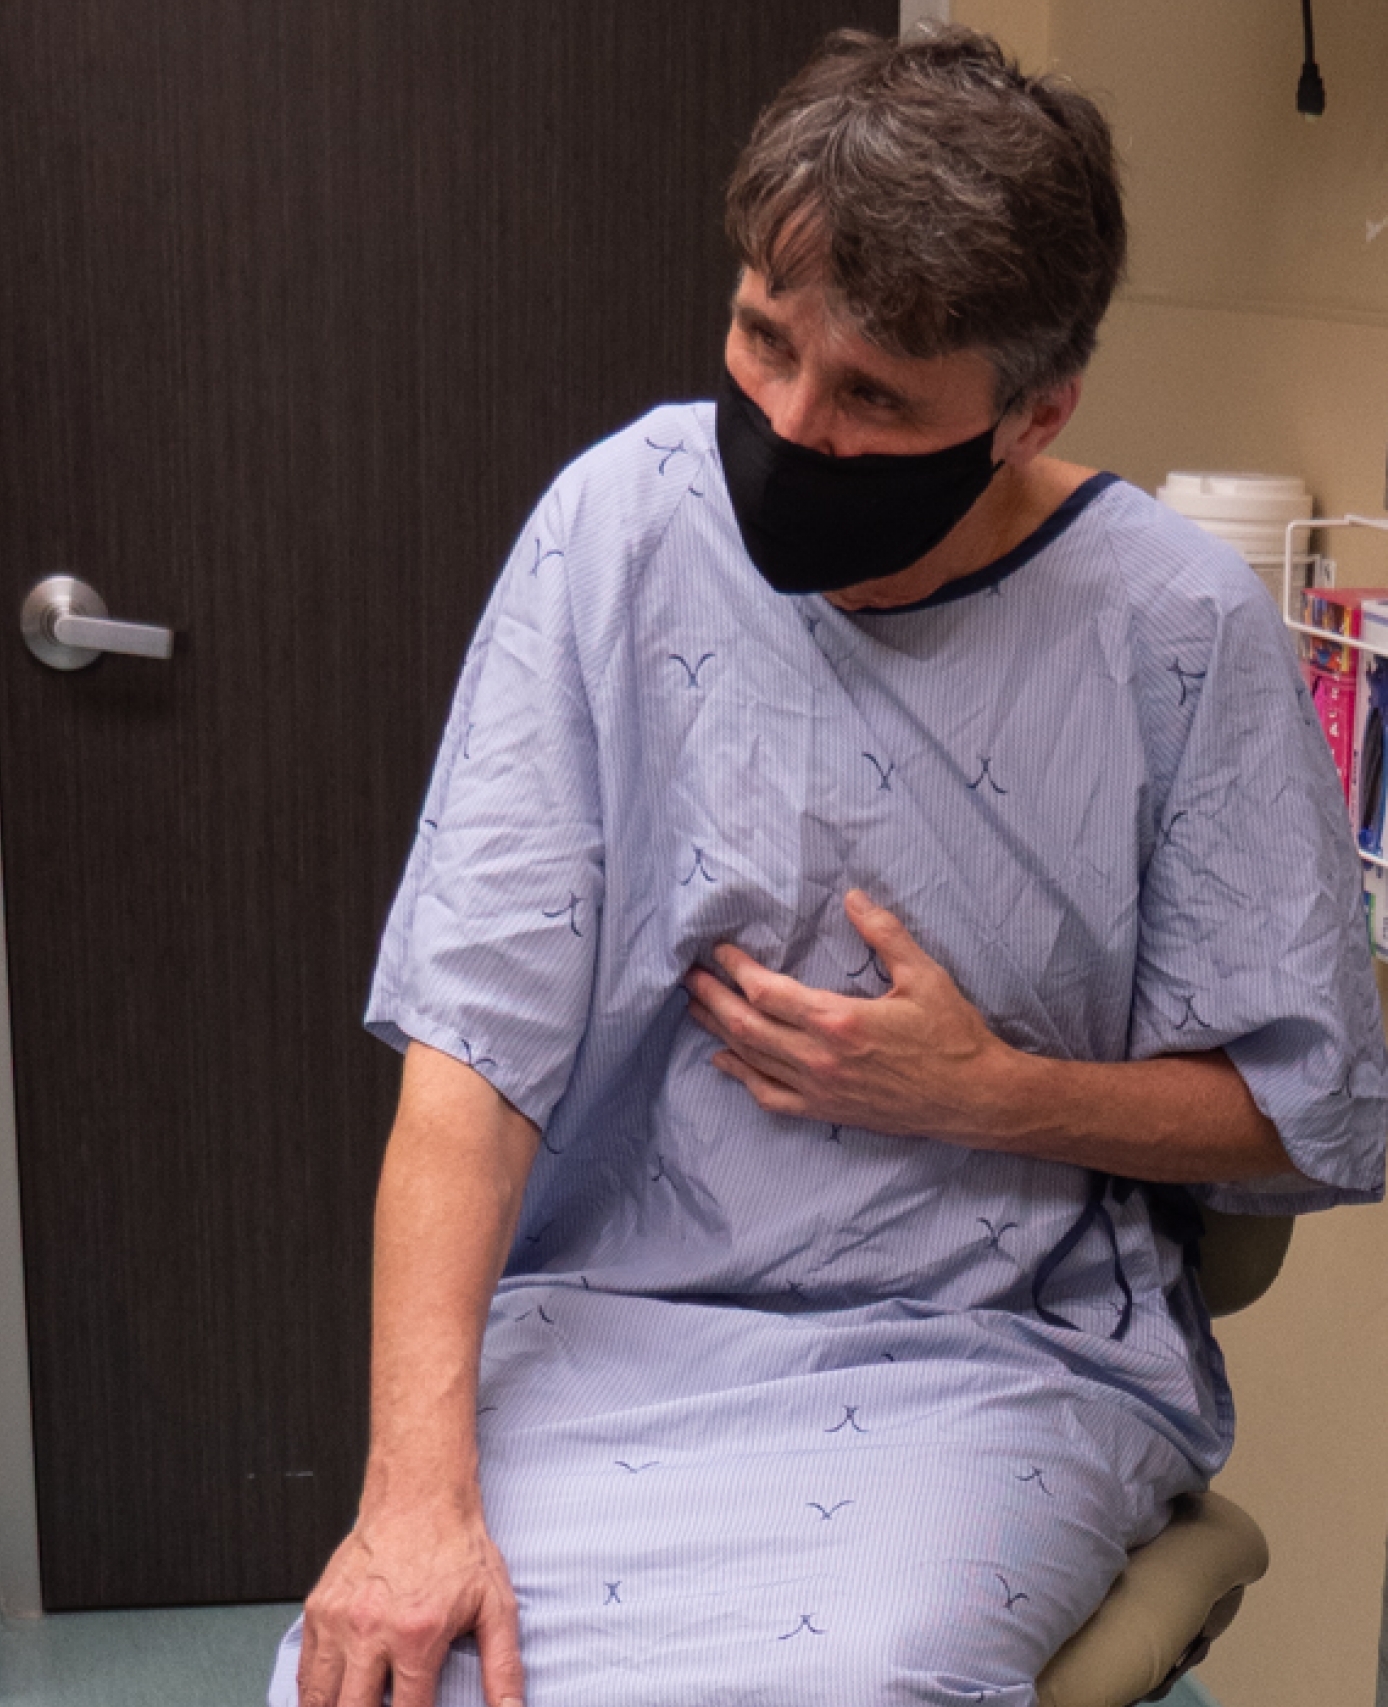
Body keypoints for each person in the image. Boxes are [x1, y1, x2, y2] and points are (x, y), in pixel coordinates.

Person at [271, 26, 1388, 1707]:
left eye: (874, 396)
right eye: (762, 339)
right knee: (372, 1672)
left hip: (993, 1348)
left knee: (850, 1683)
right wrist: (408, 1504)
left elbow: (1301, 1117)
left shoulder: (1180, 633)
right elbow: (469, 1058)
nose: (789, 423)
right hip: (616, 1320)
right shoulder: (617, 532)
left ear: (1034, 410)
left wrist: (989, 1093)